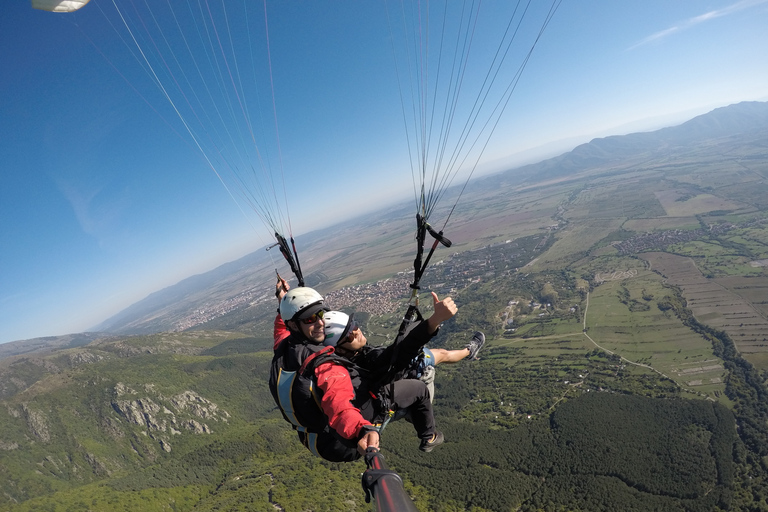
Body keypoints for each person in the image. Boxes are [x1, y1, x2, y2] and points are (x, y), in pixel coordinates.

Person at [270, 282, 451, 462]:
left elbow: (281, 329)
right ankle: (429, 436)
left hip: (314, 440)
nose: (319, 323)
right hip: (344, 445)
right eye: (309, 319)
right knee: (418, 388)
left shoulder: (283, 346)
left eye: (320, 314)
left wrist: (284, 301)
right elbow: (339, 405)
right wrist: (362, 430)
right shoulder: (326, 365)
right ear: (293, 325)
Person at [323, 309, 485, 400]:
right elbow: (405, 348)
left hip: (397, 376)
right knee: (441, 354)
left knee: (440, 354)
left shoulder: (350, 360)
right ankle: (469, 351)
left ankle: (468, 352)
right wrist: (435, 320)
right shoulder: (372, 360)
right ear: (340, 349)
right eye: (349, 335)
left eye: (354, 325)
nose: (357, 332)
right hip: (412, 376)